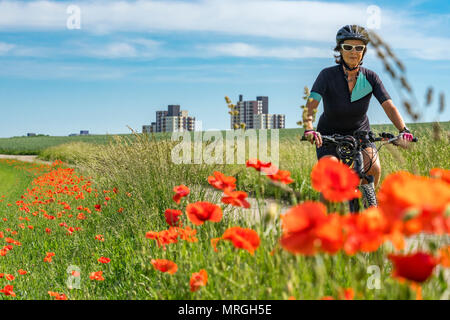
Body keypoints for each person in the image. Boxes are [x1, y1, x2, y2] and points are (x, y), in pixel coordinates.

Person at [303, 24, 414, 190]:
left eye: (358, 48)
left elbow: (389, 106)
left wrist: (403, 130)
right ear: (340, 50)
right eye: (348, 47)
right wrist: (309, 129)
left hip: (360, 134)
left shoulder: (370, 78)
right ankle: (330, 211)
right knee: (330, 173)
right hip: (329, 136)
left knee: (373, 168)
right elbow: (311, 106)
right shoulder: (327, 75)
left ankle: (367, 207)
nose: (353, 51)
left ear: (364, 51)